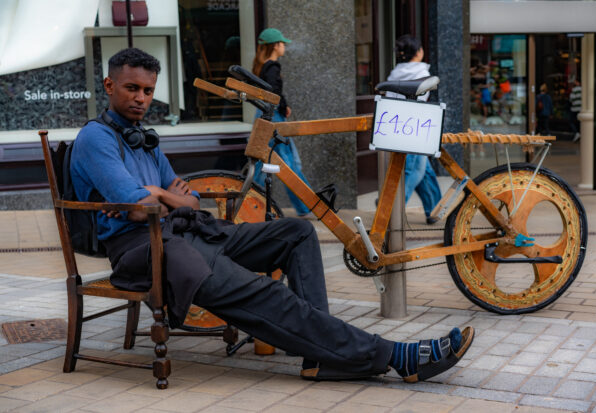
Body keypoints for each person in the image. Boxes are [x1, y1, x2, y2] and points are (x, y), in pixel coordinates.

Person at [70, 47, 474, 383]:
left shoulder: (146, 139)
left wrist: (160, 195)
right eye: (132, 89)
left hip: (187, 232)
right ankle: (392, 355)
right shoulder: (95, 138)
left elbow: (190, 202)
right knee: (268, 294)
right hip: (144, 249)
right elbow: (139, 209)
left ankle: (322, 355)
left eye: (148, 90)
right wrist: (159, 195)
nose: (141, 98)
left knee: (296, 231)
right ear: (109, 86)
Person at [251, 28, 311, 217]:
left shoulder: (263, 65)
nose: (284, 46)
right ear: (275, 46)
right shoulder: (273, 66)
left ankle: (251, 201)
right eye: (282, 43)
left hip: (263, 114)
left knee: (263, 161)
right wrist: (284, 106)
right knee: (289, 162)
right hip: (274, 116)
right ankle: (307, 204)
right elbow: (274, 92)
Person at [387, 34, 442, 224]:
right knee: (414, 171)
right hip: (414, 127)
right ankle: (389, 208)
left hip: (396, 124)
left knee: (424, 170)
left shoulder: (395, 73)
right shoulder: (420, 72)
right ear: (418, 52)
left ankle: (434, 209)